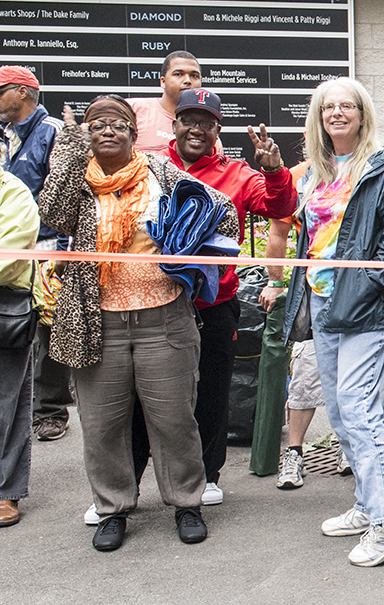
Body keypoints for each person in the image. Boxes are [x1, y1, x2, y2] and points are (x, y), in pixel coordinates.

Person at [39, 95, 240, 552]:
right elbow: (51, 213)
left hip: (164, 318)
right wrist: (71, 152)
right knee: (103, 424)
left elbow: (222, 209)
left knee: (173, 419)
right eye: (97, 125)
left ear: (134, 132)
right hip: (96, 323)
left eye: (118, 124)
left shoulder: (159, 172)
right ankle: (113, 509)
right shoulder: (79, 180)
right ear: (87, 134)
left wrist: (188, 247)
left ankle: (186, 502)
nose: (107, 131)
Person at [280, 77, 384, 567]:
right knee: (340, 414)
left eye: (348, 106)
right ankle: (367, 504)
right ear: (319, 118)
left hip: (365, 305)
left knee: (359, 411)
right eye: (328, 107)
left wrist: (362, 286)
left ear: (363, 115)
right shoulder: (316, 172)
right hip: (322, 302)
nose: (337, 113)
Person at [161, 89, 296, 505]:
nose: (196, 129)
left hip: (215, 304)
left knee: (214, 391)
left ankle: (208, 473)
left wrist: (274, 171)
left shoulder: (237, 174)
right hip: (158, 303)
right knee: (154, 394)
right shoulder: (150, 168)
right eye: (189, 120)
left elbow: (281, 205)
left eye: (206, 122)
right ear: (175, 124)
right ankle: (148, 473)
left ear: (217, 129)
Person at [0, 65, 69, 443]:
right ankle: (17, 409)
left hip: (46, 246)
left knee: (48, 327)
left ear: (22, 92)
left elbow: (64, 197)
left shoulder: (52, 132)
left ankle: (50, 412)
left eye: (1, 92)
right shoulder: (6, 135)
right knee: (11, 322)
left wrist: (62, 252)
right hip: (11, 244)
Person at [0, 166, 40, 527]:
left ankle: (5, 491)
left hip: (4, 307)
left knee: (6, 404)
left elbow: (8, 251)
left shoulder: (12, 191)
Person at [129, 51, 202, 155]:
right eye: (178, 74)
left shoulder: (208, 128)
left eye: (194, 76)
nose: (187, 81)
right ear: (163, 82)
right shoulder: (133, 109)